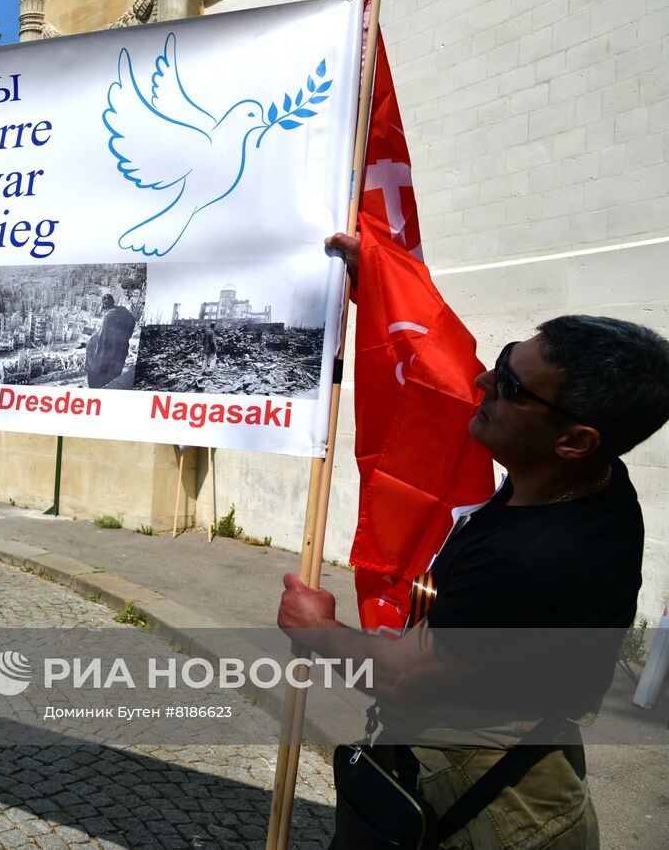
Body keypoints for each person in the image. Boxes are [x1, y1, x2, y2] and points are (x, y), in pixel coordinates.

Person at [278, 232, 669, 848]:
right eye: (507, 357)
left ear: (576, 440)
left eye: (511, 388)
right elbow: (440, 390)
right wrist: (379, 287)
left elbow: (403, 678)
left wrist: (315, 629)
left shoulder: (534, 560)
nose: (485, 380)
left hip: (484, 800)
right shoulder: (585, 475)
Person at [84, 292, 137, 388]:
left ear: (105, 305)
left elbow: (102, 338)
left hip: (109, 353)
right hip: (121, 350)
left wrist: (91, 344)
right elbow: (132, 320)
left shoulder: (108, 317)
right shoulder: (124, 311)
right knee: (113, 378)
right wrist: (125, 338)